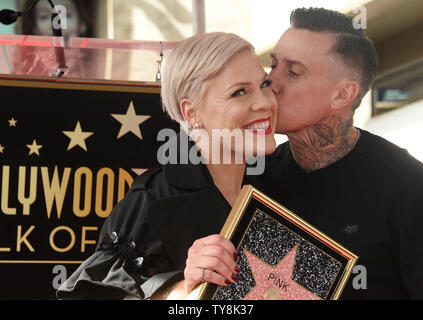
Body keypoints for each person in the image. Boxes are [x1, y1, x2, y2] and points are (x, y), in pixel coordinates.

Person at [56, 32, 278, 299]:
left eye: (264, 85)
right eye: (239, 92)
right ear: (191, 112)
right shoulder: (152, 201)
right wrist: (181, 290)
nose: (265, 103)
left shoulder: (273, 187)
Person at [246, 7, 423, 299]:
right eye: (273, 65)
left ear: (342, 94)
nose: (270, 84)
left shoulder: (407, 187)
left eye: (293, 71)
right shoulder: (253, 178)